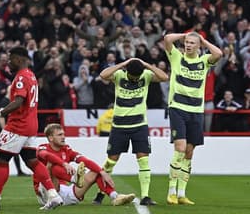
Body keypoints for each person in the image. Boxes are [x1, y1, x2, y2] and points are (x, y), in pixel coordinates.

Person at [0, 46, 63, 211]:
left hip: (18, 125)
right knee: (32, 161)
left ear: (20, 59)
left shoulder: (21, 77)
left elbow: (18, 101)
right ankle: (53, 195)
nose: (8, 62)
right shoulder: (31, 75)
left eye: (11, 58)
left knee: (2, 160)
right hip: (31, 125)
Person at [92, 58, 169, 206]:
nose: (135, 80)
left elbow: (164, 77)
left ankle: (145, 196)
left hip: (139, 125)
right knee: (110, 162)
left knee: (143, 160)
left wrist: (146, 64)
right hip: (119, 127)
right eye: (133, 77)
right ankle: (100, 194)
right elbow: (103, 75)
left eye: (137, 77)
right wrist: (124, 63)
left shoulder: (145, 75)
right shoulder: (119, 75)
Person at [164, 32, 222, 205]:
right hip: (177, 108)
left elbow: (218, 54)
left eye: (191, 43)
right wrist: (184, 34)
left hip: (196, 111)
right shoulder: (176, 57)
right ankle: (171, 191)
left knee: (189, 152)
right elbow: (167, 39)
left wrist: (203, 40)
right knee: (180, 147)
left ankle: (182, 193)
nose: (188, 45)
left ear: (199, 46)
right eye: (186, 42)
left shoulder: (204, 61)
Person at [35, 123, 136, 207]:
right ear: (51, 138)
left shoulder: (66, 149)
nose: (63, 137)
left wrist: (102, 171)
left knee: (95, 171)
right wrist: (64, 163)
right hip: (48, 193)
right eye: (60, 135)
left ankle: (115, 197)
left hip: (65, 192)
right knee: (51, 165)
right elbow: (46, 155)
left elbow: (85, 160)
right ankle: (74, 179)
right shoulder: (42, 148)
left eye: (63, 134)